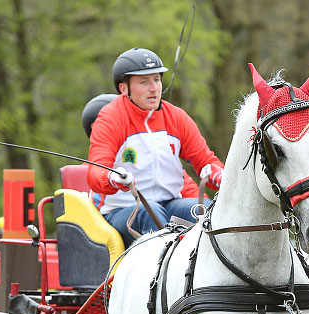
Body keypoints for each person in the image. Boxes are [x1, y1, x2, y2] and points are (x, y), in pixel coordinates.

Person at [87, 48, 224, 245]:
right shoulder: (110, 117)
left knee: (207, 211)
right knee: (150, 213)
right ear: (124, 88)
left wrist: (218, 174)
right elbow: (95, 171)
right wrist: (112, 178)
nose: (154, 88)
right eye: (144, 82)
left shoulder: (177, 117)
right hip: (121, 210)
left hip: (170, 203)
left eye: (157, 80)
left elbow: (205, 160)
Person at [81, 93, 201, 210]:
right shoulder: (95, 168)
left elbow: (188, 188)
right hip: (124, 216)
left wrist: (205, 210)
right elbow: (96, 179)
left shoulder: (155, 160)